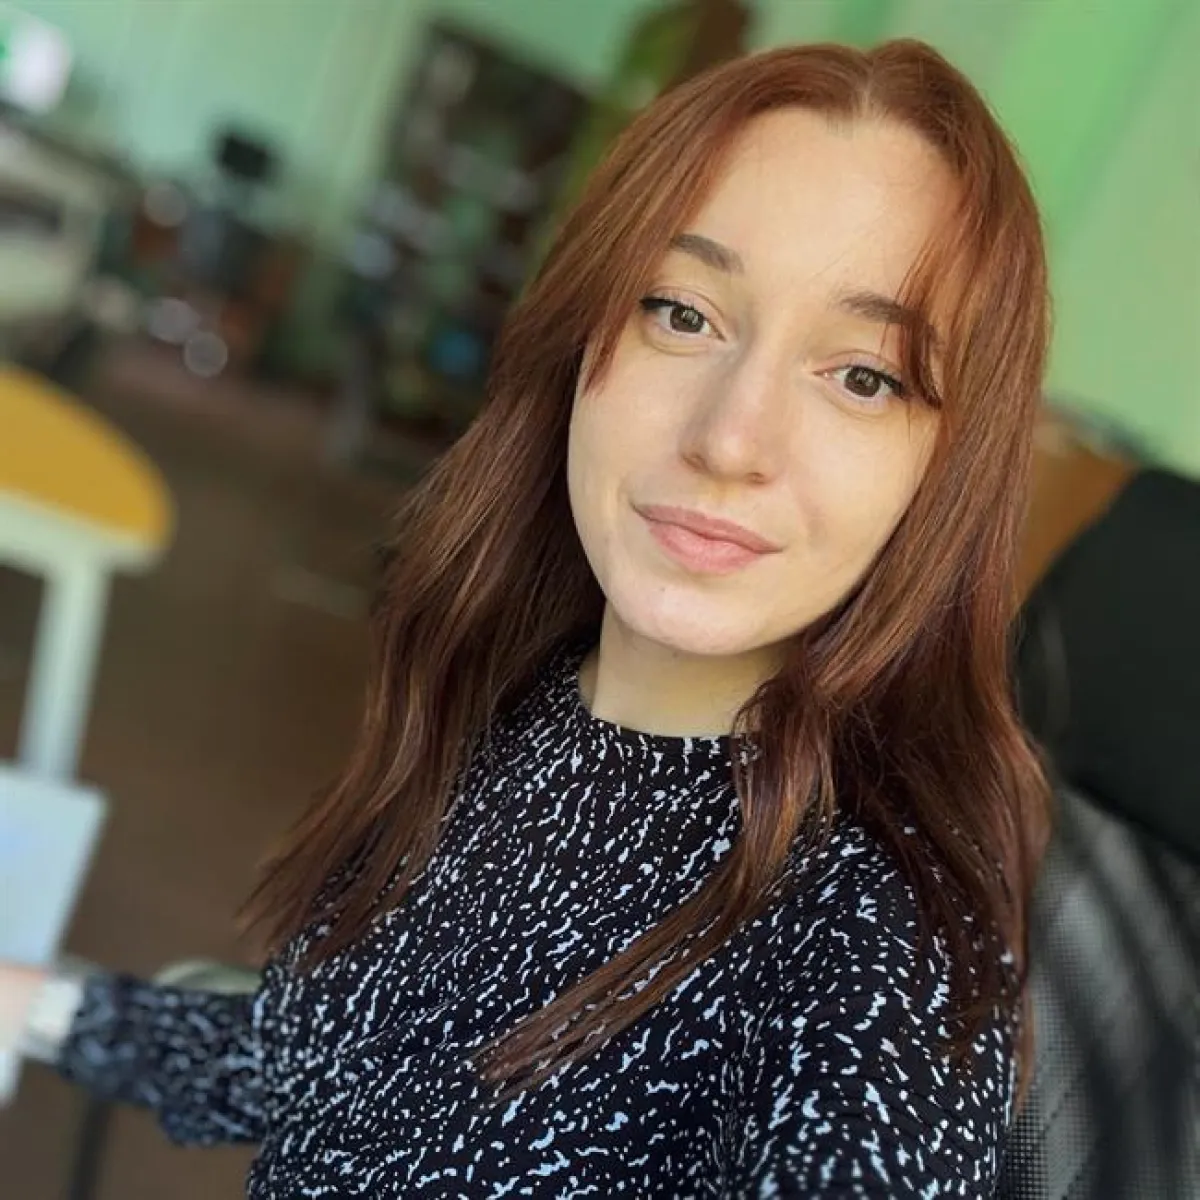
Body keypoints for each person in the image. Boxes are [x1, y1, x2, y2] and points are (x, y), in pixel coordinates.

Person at [1, 37, 1050, 1197]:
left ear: (947, 471)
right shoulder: (524, 697)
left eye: (863, 376)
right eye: (681, 313)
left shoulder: (876, 951)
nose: (729, 439)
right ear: (582, 334)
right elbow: (342, 1067)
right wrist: (44, 1006)